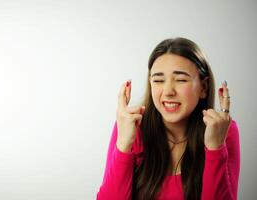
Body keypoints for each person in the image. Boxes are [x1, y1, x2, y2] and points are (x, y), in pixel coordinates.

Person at [96, 37, 240, 200]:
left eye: (180, 80)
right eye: (158, 80)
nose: (168, 91)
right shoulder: (131, 126)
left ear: (203, 88)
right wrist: (123, 144)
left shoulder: (223, 131)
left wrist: (215, 147)